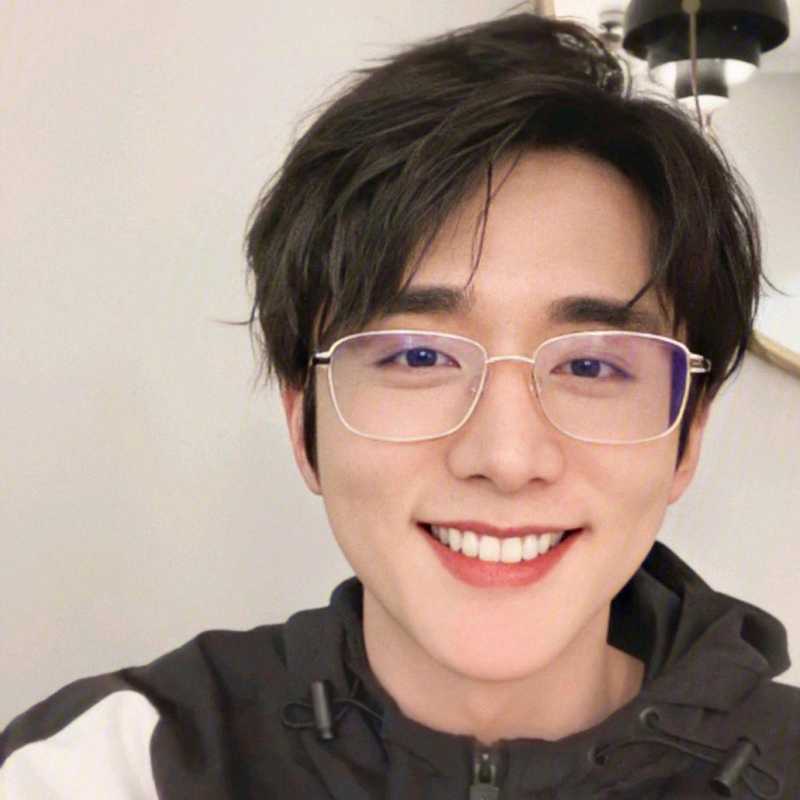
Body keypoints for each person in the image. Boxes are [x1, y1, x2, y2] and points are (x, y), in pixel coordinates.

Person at [1, 12, 797, 799]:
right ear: (303, 423)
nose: (506, 458)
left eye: (590, 364)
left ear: (689, 435)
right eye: (419, 356)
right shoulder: (113, 766)